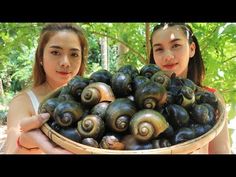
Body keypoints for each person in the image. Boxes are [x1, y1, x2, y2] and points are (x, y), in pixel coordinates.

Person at [5, 23, 88, 154]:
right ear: (40, 58)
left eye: (74, 54)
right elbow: (11, 149)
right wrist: (26, 144)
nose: (65, 62)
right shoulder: (23, 102)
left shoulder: (94, 98)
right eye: (55, 52)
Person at [149, 23, 231, 154]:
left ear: (192, 49)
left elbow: (222, 151)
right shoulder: (142, 97)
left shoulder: (211, 98)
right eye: (159, 49)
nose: (168, 56)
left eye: (176, 45)